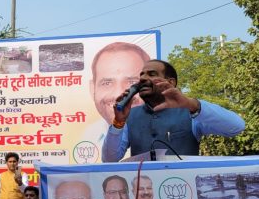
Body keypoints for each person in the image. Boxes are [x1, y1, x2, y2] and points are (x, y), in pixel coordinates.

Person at [103, 59, 246, 162]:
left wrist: (192, 104)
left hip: (184, 193)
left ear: (170, 82)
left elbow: (237, 127)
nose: (143, 78)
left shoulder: (191, 111)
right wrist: (118, 123)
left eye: (152, 74)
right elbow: (109, 159)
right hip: (143, 194)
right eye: (142, 75)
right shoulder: (130, 115)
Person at [86, 42, 151, 150]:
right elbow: (109, 159)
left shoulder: (169, 119)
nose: (118, 94)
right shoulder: (88, 136)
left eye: (132, 82)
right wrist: (118, 124)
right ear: (92, 89)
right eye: (107, 83)